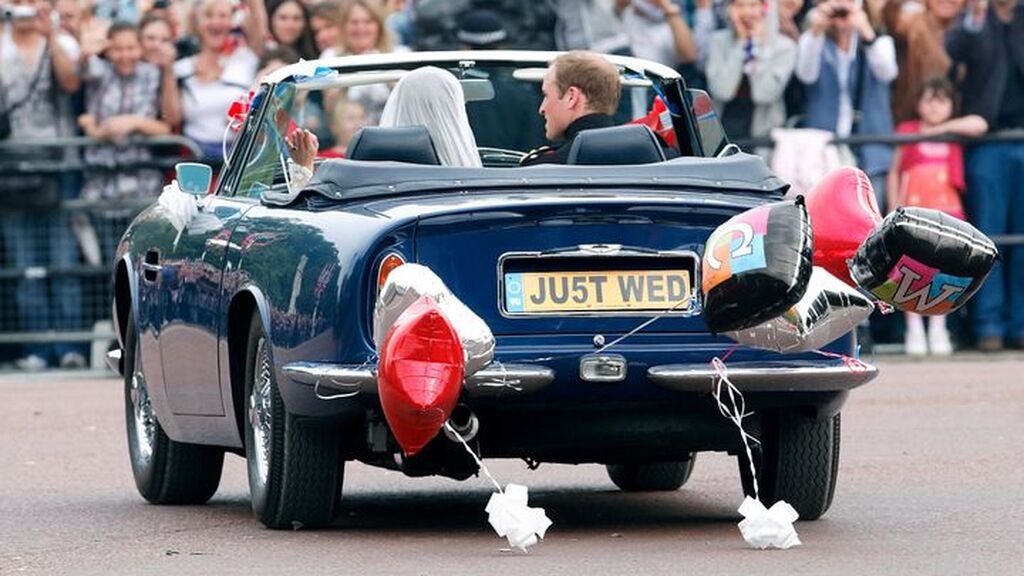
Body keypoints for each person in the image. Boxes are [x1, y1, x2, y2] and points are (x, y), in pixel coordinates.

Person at [0, 0, 85, 370]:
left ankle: (70, 347)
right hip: (13, 166)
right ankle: (36, 348)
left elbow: (70, 83)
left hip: (59, 164)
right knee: (25, 265)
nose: (23, 8)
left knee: (64, 261)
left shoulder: (61, 42)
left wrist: (50, 35)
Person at [885, 76, 988, 355]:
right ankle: (914, 329)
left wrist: (941, 128)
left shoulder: (952, 134)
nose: (934, 107)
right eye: (929, 100)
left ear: (951, 106)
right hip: (914, 209)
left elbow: (979, 125)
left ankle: (939, 328)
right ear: (918, 103)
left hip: (948, 211)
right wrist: (894, 206)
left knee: (946, 270)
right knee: (910, 270)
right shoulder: (907, 130)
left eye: (941, 101)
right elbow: (894, 171)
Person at [946, 0, 1024, 351]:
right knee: (988, 239)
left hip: (1022, 136)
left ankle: (1019, 324)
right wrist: (976, 15)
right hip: (987, 141)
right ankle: (988, 324)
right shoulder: (975, 21)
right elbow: (953, 52)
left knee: (1022, 240)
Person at [286, 66, 482, 185]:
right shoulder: (484, 183)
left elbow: (319, 229)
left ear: (398, 102)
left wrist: (303, 168)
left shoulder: (363, 174)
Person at [795, 0, 898, 206]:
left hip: (870, 148)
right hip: (825, 151)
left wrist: (865, 30)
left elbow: (887, 71)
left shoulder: (879, 41)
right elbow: (805, 74)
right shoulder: (815, 42)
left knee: (871, 220)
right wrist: (815, 30)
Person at [173, 0, 267, 161]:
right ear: (197, 21)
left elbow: (259, 27)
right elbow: (172, 117)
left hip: (238, 158)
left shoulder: (245, 60)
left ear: (232, 21)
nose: (216, 22)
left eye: (223, 16)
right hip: (195, 157)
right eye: (209, 15)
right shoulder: (181, 68)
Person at [705, 0, 796, 144]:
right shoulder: (718, 41)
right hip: (723, 126)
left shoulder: (784, 47)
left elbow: (765, 94)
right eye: (739, 6)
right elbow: (722, 91)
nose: (746, 12)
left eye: (753, 5)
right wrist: (741, 44)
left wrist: (757, 45)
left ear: (765, 8)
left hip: (763, 132)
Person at [519, 50, 621, 166]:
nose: (542, 109)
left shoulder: (542, 169)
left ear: (571, 97)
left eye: (546, 96)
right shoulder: (640, 159)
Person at [884, 0, 965, 124]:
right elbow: (891, 20)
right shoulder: (913, 22)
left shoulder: (972, 28)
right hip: (912, 121)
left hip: (960, 123)